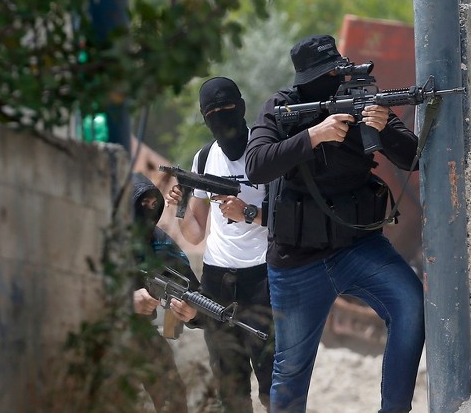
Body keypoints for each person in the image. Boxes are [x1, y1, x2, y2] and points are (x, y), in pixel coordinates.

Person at [244, 34, 425, 413]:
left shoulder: (364, 100)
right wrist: (314, 135)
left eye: (336, 72)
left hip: (357, 247)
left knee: (411, 305)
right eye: (324, 74)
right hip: (296, 261)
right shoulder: (280, 107)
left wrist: (384, 127)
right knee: (290, 370)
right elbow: (257, 164)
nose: (333, 79)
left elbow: (414, 158)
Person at [165, 77, 274, 412]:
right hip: (217, 280)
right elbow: (195, 233)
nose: (221, 117)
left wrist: (248, 213)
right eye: (212, 113)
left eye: (227, 108)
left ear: (241, 107)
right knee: (230, 387)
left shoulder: (265, 150)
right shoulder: (204, 158)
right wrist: (180, 205)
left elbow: (288, 218)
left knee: (273, 385)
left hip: (263, 277)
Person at [131, 172, 199, 413]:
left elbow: (194, 291)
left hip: (139, 333)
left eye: (154, 205)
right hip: (101, 330)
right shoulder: (104, 237)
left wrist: (194, 313)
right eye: (143, 204)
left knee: (171, 393)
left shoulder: (159, 242)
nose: (150, 211)